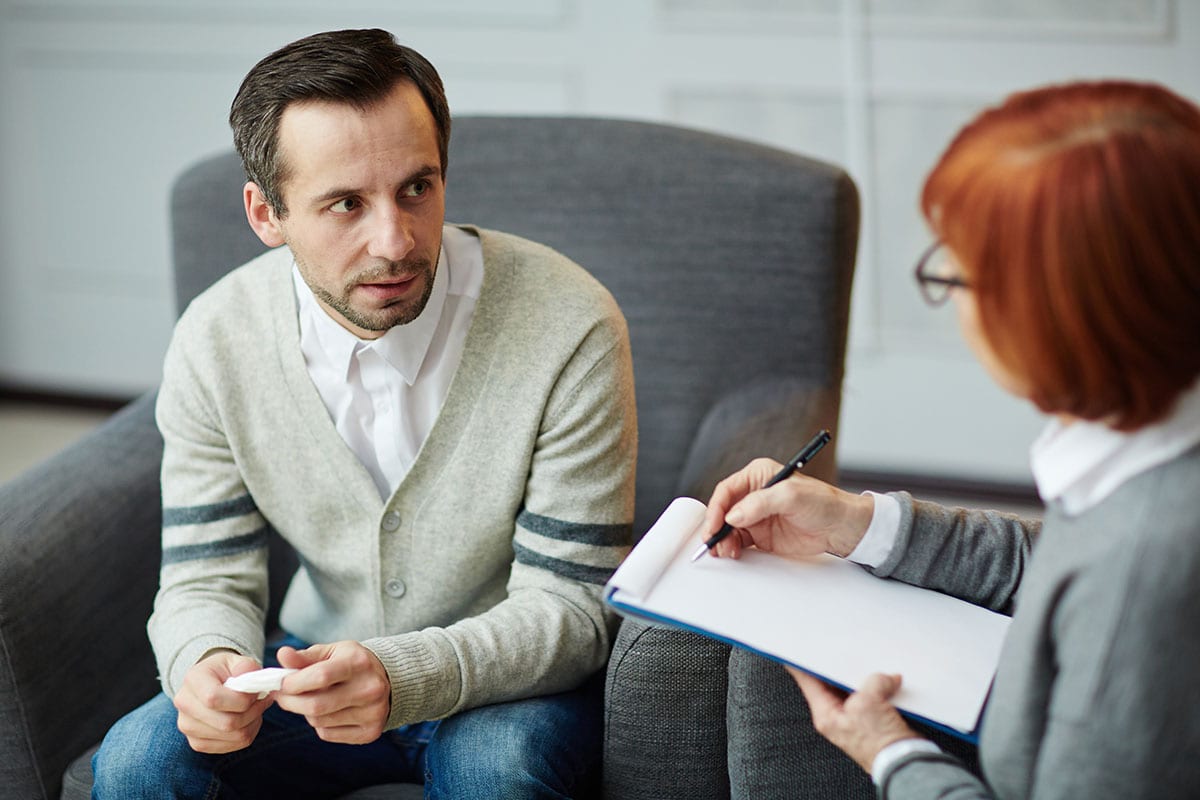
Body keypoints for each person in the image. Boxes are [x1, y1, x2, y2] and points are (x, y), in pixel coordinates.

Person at [92, 28, 636, 799]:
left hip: (505, 683)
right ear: (265, 214)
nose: (396, 240)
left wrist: (401, 673)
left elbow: (574, 610)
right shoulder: (215, 341)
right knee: (137, 764)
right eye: (346, 203)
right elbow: (206, 573)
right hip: (308, 666)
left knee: (497, 772)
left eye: (417, 188)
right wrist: (203, 664)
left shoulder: (568, 322)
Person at [701, 79, 1200, 799]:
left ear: (1056, 311)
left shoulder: (1146, 570)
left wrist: (893, 756)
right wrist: (859, 525)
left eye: (957, 275)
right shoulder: (1150, 454)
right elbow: (1057, 565)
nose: (952, 304)